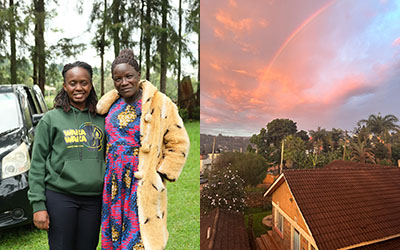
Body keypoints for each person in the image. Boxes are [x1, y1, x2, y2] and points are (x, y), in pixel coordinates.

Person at [96, 49, 190, 250]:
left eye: (129, 76)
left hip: (141, 180)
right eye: (117, 78)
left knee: (140, 237)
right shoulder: (112, 105)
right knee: (114, 234)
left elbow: (179, 141)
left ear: (139, 75)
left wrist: (161, 173)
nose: (124, 82)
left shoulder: (160, 103)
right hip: (113, 180)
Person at [28, 61, 106, 250]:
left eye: (84, 82)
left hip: (94, 199)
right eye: (73, 83)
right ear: (65, 86)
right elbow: (37, 163)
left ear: (91, 84)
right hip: (60, 197)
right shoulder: (51, 119)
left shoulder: (103, 117)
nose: (78, 88)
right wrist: (38, 205)